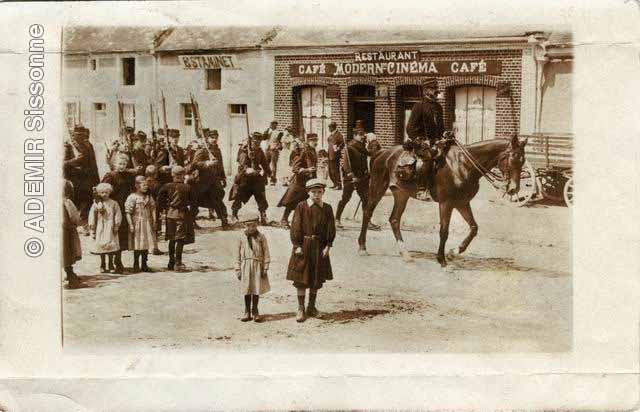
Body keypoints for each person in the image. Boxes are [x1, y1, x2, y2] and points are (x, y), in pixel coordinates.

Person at [286, 178, 336, 323]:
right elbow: (295, 226)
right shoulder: (301, 206)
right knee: (301, 278)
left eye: (319, 192)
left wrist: (328, 245)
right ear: (308, 192)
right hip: (304, 246)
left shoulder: (327, 208)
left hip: (319, 247)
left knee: (316, 278)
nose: (316, 195)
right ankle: (301, 308)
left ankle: (311, 307)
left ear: (323, 193)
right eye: (313, 192)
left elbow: (330, 228)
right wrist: (297, 245)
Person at [404, 78, 444, 200]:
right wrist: (420, 141)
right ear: (426, 91)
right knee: (428, 158)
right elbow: (410, 128)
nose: (436, 91)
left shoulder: (438, 107)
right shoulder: (418, 106)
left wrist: (444, 135)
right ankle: (421, 189)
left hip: (435, 142)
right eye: (433, 89)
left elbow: (441, 127)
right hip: (421, 143)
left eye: (436, 89)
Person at [335, 125, 379, 229]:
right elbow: (345, 164)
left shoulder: (363, 147)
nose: (362, 136)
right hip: (351, 179)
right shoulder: (349, 147)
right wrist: (351, 176)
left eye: (363, 135)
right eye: (359, 135)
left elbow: (371, 154)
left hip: (362, 178)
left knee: (366, 199)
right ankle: (337, 219)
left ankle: (367, 222)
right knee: (345, 198)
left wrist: (373, 143)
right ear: (354, 136)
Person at [157, 165, 196, 272]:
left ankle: (170, 262)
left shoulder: (166, 186)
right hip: (182, 215)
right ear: (183, 175)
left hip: (170, 214)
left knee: (171, 238)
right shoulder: (187, 187)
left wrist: (163, 210)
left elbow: (159, 200)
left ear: (172, 175)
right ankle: (178, 263)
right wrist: (192, 215)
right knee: (180, 239)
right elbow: (194, 203)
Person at [101, 154, 135, 272]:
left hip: (124, 207)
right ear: (114, 164)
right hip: (112, 208)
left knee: (121, 235)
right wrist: (100, 204)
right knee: (111, 233)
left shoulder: (130, 176)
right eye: (119, 163)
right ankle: (108, 263)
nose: (122, 166)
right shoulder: (110, 176)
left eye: (124, 164)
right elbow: (100, 191)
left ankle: (118, 261)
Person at [234, 213, 271, 322]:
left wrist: (265, 267)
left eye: (254, 225)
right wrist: (237, 269)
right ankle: (247, 311)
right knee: (247, 289)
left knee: (256, 288)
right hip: (245, 266)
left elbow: (266, 253)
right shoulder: (241, 238)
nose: (251, 228)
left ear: (257, 225)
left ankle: (255, 310)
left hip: (257, 266)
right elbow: (237, 254)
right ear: (245, 225)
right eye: (249, 225)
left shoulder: (261, 237)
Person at [189, 129, 229, 228]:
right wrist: (207, 163)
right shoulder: (202, 149)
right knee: (196, 201)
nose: (214, 139)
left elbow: (220, 165)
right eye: (212, 137)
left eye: (216, 137)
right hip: (202, 181)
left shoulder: (217, 150)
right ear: (207, 138)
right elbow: (194, 164)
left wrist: (223, 177)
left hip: (214, 181)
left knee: (218, 200)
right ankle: (191, 221)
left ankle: (224, 219)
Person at [277, 133, 319, 227]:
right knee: (292, 202)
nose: (315, 142)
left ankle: (305, 222)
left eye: (316, 140)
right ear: (308, 141)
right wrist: (307, 170)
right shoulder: (303, 151)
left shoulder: (312, 151)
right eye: (313, 141)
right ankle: (284, 220)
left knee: (307, 202)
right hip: (299, 182)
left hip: (309, 182)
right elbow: (295, 168)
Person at [229, 132, 271, 225]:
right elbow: (241, 165)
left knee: (261, 197)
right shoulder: (244, 150)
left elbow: (264, 163)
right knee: (239, 197)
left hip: (256, 178)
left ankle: (263, 215)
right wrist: (247, 169)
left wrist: (269, 173)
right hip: (244, 178)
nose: (257, 144)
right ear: (251, 141)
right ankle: (234, 214)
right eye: (255, 142)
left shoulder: (259, 151)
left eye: (259, 142)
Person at [63, 125, 100, 225]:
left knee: (86, 200)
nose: (79, 137)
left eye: (81, 135)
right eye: (77, 135)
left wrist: (66, 163)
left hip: (87, 178)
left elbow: (87, 161)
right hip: (77, 178)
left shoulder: (87, 145)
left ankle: (84, 222)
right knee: (77, 200)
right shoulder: (71, 146)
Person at [88, 182, 122, 274]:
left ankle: (111, 264)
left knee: (110, 246)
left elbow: (118, 214)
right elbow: (92, 215)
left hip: (110, 227)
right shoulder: (96, 204)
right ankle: (102, 264)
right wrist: (92, 227)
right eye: (102, 192)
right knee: (101, 246)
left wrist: (116, 225)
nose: (104, 194)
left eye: (106, 192)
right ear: (98, 193)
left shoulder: (114, 203)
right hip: (100, 227)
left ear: (109, 192)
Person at [125, 176, 157, 272]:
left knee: (146, 243)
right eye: (143, 185)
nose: (146, 187)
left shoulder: (149, 197)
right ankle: (135, 263)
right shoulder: (132, 197)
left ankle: (144, 263)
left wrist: (154, 221)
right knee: (137, 244)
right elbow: (128, 212)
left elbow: (153, 209)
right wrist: (130, 224)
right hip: (137, 223)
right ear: (136, 185)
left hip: (147, 222)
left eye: (147, 185)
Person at [62, 180, 83, 287]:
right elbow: (75, 217)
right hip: (66, 231)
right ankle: (70, 275)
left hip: (63, 231)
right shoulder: (67, 202)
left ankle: (70, 274)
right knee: (66, 253)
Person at [145, 165, 164, 255]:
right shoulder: (158, 184)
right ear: (156, 174)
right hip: (154, 208)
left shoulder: (143, 182)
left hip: (144, 207)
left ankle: (147, 247)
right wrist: (161, 209)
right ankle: (154, 247)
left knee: (147, 227)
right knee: (154, 227)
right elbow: (159, 198)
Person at [263, 120, 282, 186]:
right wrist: (267, 130)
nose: (272, 125)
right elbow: (264, 138)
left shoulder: (278, 133)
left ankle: (273, 180)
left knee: (273, 165)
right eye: (271, 124)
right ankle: (264, 179)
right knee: (265, 164)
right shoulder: (268, 131)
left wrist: (277, 147)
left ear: (276, 125)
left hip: (274, 150)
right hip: (267, 150)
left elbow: (280, 143)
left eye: (274, 124)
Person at [327, 121, 344, 189]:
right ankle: (334, 183)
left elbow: (342, 143)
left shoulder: (338, 135)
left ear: (333, 127)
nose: (329, 129)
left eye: (330, 127)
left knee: (335, 170)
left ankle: (339, 185)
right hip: (330, 155)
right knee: (330, 170)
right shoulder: (331, 135)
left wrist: (338, 148)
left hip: (335, 156)